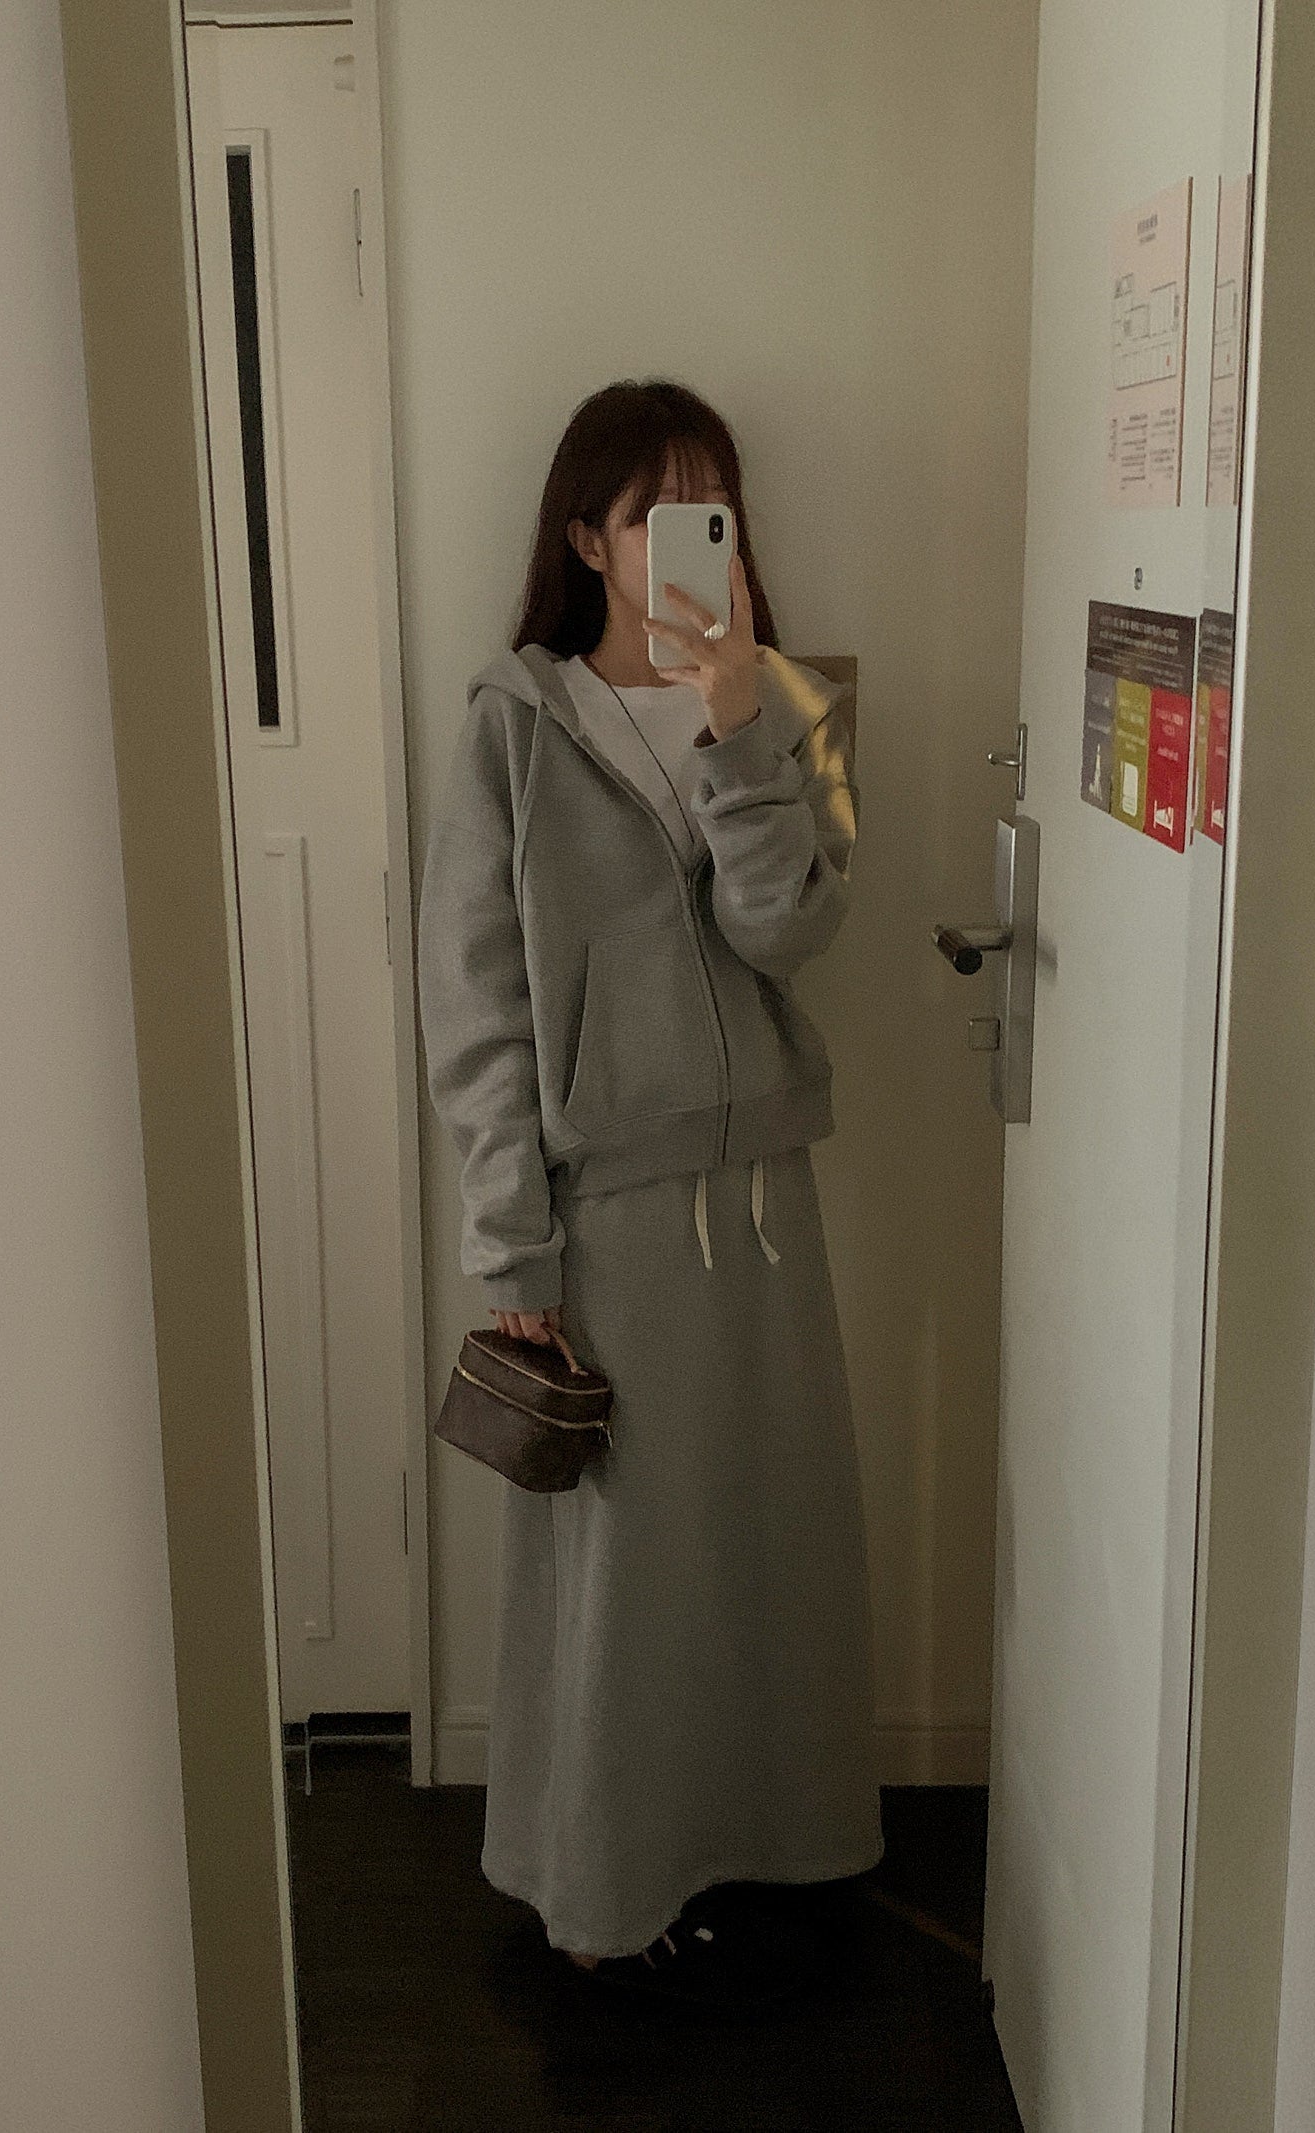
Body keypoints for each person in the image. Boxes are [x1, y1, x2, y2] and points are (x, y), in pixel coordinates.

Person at [415, 377, 884, 2004]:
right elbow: (476, 1009)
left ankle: (768, 1843)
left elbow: (790, 929)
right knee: (620, 1580)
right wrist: (510, 1245)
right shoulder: (514, 725)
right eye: (655, 514)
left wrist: (742, 720)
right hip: (606, 1215)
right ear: (589, 541)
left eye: (714, 510)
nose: (694, 540)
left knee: (769, 1544)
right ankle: (599, 1881)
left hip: (765, 1205)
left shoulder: (792, 710)